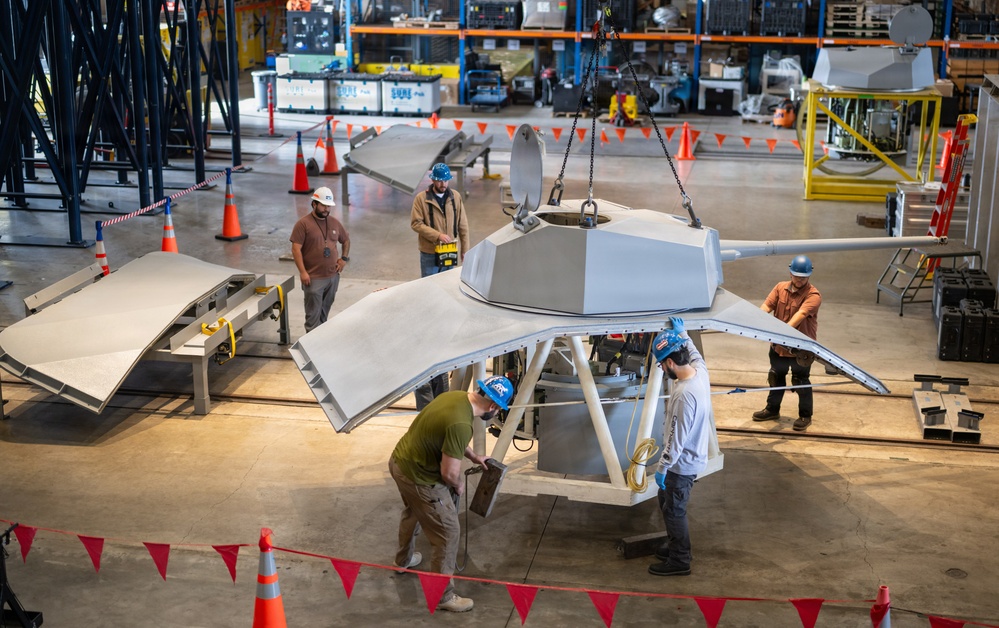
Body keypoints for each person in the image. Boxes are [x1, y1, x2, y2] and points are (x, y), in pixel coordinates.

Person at [388, 375, 515, 613]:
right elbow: (448, 473)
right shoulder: (462, 423)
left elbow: (449, 440)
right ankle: (442, 596)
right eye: (499, 411)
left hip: (400, 463)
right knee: (448, 533)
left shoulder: (454, 398)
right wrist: (457, 485)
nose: (496, 415)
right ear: (493, 407)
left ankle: (402, 561)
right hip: (420, 477)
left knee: (414, 512)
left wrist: (474, 457)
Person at [648, 316, 713, 578]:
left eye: (663, 365)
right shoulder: (699, 370)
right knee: (665, 502)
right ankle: (675, 544)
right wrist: (683, 333)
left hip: (681, 464)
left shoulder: (684, 394)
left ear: (671, 362)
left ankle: (680, 559)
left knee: (674, 510)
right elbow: (695, 352)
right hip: (688, 459)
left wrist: (663, 467)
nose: (663, 370)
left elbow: (676, 439)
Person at [410, 163, 470, 410]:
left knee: (448, 289)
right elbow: (415, 224)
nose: (442, 185)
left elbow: (463, 226)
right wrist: (437, 235)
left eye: (445, 181)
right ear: (433, 180)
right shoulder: (421, 200)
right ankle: (431, 322)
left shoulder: (455, 198)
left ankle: (445, 321)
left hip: (450, 252)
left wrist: (465, 251)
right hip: (429, 252)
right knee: (431, 289)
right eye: (439, 181)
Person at [752, 255, 822, 431]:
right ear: (790, 273)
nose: (799, 279)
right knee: (776, 377)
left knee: (801, 381)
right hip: (778, 347)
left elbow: (798, 318)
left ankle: (805, 416)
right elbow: (766, 307)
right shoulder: (780, 288)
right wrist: (756, 319)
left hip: (800, 350)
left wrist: (778, 332)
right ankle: (772, 410)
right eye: (796, 276)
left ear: (809, 276)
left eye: (803, 277)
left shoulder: (813, 296)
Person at [290, 186, 350, 333]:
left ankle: (320, 345)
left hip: (332, 277)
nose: (326, 209)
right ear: (314, 204)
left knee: (324, 316)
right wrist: (303, 272)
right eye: (323, 205)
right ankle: (309, 352)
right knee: (312, 318)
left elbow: (346, 240)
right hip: (313, 278)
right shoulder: (303, 224)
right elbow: (295, 249)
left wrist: (344, 259)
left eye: (328, 206)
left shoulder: (334, 222)